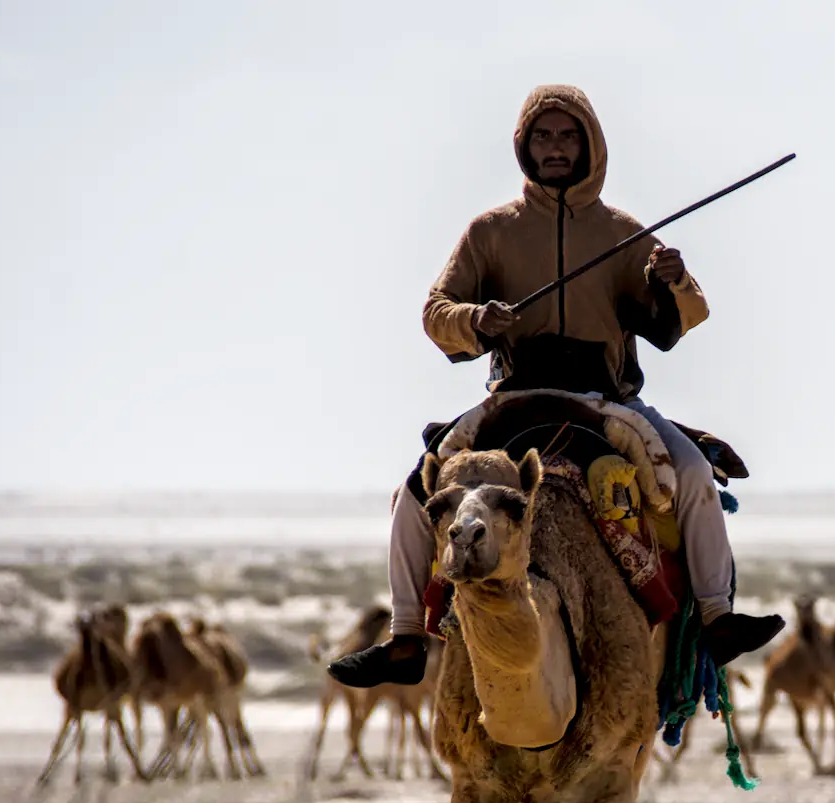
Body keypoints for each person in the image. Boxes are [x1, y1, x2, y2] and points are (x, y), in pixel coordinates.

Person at [330, 84, 784, 689]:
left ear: (590, 144)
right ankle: (407, 637)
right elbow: (436, 310)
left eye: (568, 135)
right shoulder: (490, 232)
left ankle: (716, 618)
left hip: (607, 399)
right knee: (416, 490)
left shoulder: (623, 232)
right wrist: (477, 321)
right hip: (512, 399)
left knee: (695, 477)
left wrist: (672, 281)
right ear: (524, 144)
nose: (555, 147)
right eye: (542, 136)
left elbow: (680, 318)